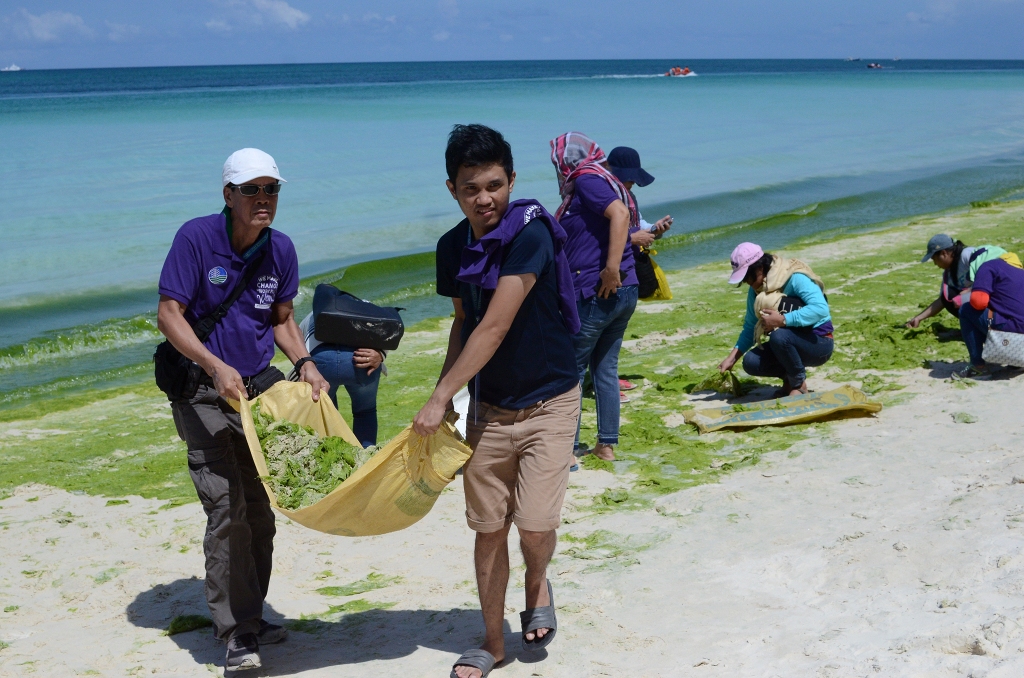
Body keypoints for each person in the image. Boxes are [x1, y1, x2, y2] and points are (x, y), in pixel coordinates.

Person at [413, 124, 581, 678]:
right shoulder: (450, 248)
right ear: (452, 190)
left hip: (550, 400)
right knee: (488, 529)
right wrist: (451, 400)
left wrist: (438, 398)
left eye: (493, 185)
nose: (484, 199)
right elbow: (463, 326)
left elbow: (495, 327)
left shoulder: (530, 235)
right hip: (487, 407)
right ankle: (492, 643)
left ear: (511, 180)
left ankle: (537, 583)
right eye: (470, 189)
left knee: (533, 526)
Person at [156, 148, 329, 673]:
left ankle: (251, 618)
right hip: (200, 389)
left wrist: (305, 362)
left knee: (261, 508)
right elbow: (169, 315)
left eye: (271, 189)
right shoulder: (196, 238)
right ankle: (234, 634)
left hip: (259, 391)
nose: (263, 199)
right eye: (252, 190)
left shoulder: (282, 250)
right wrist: (213, 365)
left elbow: (281, 319)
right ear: (227, 195)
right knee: (226, 505)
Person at [550, 132, 638, 462]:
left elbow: (620, 215)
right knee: (604, 368)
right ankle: (606, 446)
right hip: (622, 292)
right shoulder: (604, 179)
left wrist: (610, 269)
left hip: (598, 291)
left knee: (570, 370)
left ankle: (568, 450)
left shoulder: (586, 179)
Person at [717, 242, 834, 396]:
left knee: (779, 336)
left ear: (759, 268)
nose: (749, 284)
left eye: (749, 278)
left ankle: (799, 384)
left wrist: (783, 320)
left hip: (818, 343)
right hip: (786, 345)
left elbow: (821, 308)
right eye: (745, 280)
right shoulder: (756, 292)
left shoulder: (794, 277)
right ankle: (789, 380)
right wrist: (731, 358)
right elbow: (750, 327)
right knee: (751, 362)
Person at [606, 146, 673, 397]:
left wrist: (655, 230)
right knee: (604, 327)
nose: (632, 182)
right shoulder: (602, 197)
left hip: (628, 269)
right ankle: (605, 381)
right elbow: (597, 238)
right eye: (629, 177)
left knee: (615, 327)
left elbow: (638, 225)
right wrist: (633, 238)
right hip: (609, 271)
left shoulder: (628, 196)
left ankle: (608, 377)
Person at [298, 312, 384, 447]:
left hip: (321, 360)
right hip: (361, 359)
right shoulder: (364, 305)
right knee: (365, 412)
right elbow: (388, 331)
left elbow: (298, 347)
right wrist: (381, 354)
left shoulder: (311, 315)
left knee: (327, 411)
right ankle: (366, 459)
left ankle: (335, 458)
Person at [906, 234, 1018, 329]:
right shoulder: (949, 273)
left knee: (965, 299)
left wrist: (971, 290)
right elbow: (942, 301)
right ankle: (980, 326)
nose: (935, 263)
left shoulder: (967, 255)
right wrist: (919, 318)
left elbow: (993, 274)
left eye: (934, 259)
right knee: (948, 297)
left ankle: (993, 325)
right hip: (985, 299)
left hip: (1001, 292)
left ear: (944, 253)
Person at [957, 256, 1024, 379]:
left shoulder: (988, 266)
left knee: (966, 310)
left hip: (1013, 334)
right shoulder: (1019, 271)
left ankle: (978, 367)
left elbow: (979, 302)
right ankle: (1015, 363)